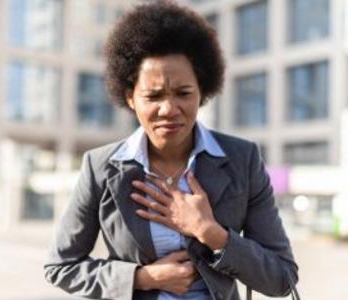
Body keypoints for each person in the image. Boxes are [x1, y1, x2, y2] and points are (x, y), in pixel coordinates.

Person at [44, 1, 299, 300]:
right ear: (130, 98)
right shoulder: (100, 167)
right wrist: (142, 278)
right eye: (153, 96)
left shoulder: (243, 160)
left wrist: (212, 233)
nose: (169, 109)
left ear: (202, 92)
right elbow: (61, 266)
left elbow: (282, 278)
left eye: (183, 93)